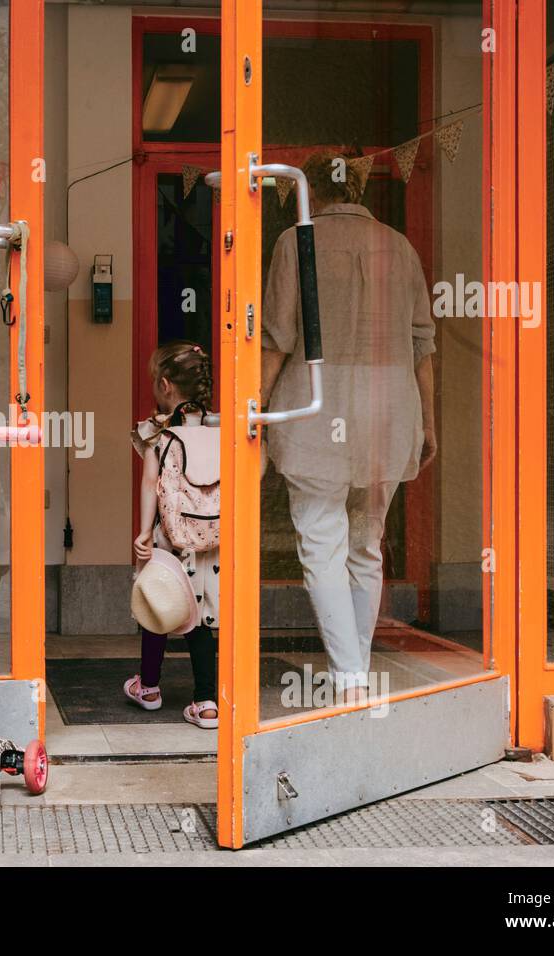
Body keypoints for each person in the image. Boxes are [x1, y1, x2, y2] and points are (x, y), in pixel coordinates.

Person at [260, 150, 436, 705]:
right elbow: (422, 346)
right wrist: (428, 422)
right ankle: (356, 669)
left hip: (319, 406)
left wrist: (254, 411)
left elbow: (277, 339)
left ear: (308, 188)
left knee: (321, 543)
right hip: (389, 407)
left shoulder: (296, 241)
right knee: (367, 544)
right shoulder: (400, 246)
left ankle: (350, 674)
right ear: (360, 185)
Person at [123, 341, 221, 729]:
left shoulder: (160, 435)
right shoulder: (219, 431)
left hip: (170, 536)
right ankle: (206, 701)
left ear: (165, 385)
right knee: (200, 617)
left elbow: (151, 484)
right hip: (211, 540)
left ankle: (147, 687)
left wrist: (145, 533)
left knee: (159, 602)